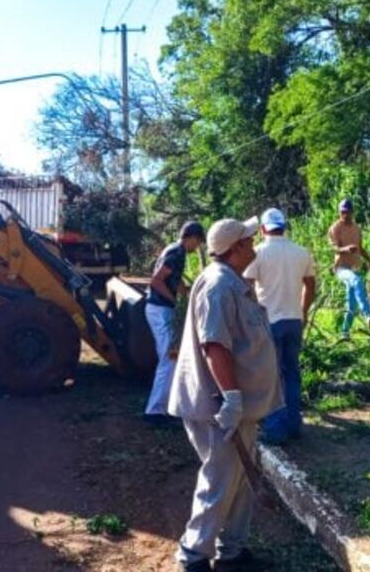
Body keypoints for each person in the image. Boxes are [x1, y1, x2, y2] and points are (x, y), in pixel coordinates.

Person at [168, 217, 283, 572]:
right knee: (220, 481)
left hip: (238, 406)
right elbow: (215, 346)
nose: (253, 244)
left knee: (239, 482)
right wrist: (231, 398)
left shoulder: (232, 281)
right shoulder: (218, 286)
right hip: (218, 407)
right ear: (235, 249)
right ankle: (193, 555)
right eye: (248, 240)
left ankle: (231, 551)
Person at [243, 207, 316, 444]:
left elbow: (246, 285)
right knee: (291, 372)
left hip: (269, 321)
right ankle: (293, 423)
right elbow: (310, 284)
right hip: (294, 320)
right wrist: (303, 311)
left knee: (271, 376)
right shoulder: (301, 252)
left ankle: (275, 429)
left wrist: (251, 313)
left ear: (263, 229)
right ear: (284, 227)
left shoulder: (258, 253)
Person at [143, 221, 206, 425]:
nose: (197, 246)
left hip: (160, 309)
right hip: (160, 309)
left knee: (171, 357)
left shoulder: (176, 250)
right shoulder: (176, 252)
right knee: (169, 359)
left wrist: (185, 293)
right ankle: (155, 412)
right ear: (191, 237)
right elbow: (156, 281)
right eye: (198, 242)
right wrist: (174, 301)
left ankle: (165, 407)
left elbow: (174, 278)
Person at [328, 198, 370, 339]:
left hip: (354, 268)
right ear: (339, 212)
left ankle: (344, 333)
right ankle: (368, 315)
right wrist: (346, 249)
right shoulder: (335, 228)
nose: (345, 215)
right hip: (341, 269)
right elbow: (334, 248)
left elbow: (360, 248)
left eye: (347, 212)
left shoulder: (356, 228)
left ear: (352, 212)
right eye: (342, 212)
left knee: (351, 306)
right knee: (357, 281)